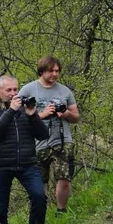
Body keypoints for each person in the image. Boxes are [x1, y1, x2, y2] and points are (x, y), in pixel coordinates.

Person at [18, 56, 80, 212]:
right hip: (37, 143)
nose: (55, 74)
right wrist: (42, 114)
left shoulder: (65, 91)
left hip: (62, 139)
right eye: (51, 71)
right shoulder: (27, 90)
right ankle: (41, 213)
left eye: (57, 71)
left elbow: (76, 117)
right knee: (40, 181)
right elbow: (18, 118)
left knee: (64, 178)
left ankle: (61, 211)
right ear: (42, 71)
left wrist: (65, 114)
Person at [0, 75, 52, 224]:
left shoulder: (25, 109)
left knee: (39, 197)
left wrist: (33, 115)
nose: (13, 93)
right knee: (0, 207)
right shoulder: (5, 110)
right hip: (1, 165)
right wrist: (10, 111)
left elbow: (43, 135)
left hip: (28, 164)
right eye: (8, 90)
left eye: (15, 89)